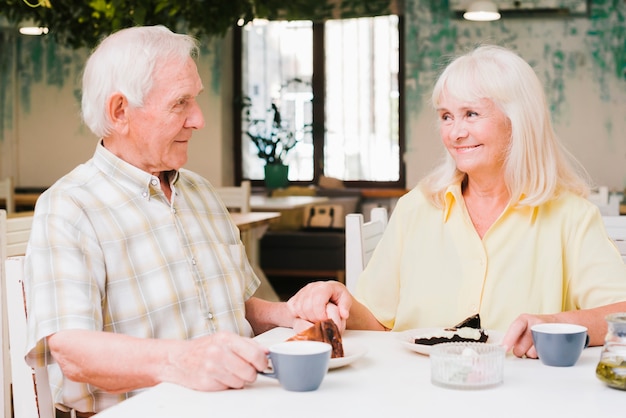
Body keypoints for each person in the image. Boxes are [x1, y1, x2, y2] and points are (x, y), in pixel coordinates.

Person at [24, 26, 305, 416]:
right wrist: (182, 361)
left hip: (240, 403)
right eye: (180, 103)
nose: (198, 119)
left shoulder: (201, 192)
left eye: (196, 100)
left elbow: (233, 307)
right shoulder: (70, 206)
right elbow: (73, 349)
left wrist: (293, 314)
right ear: (120, 112)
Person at [288, 44, 626, 359]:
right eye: (447, 116)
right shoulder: (415, 208)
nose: (455, 132)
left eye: (471, 114)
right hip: (416, 392)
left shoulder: (571, 216)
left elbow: (621, 314)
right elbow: (378, 322)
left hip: (524, 395)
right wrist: (339, 296)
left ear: (518, 122)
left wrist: (550, 323)